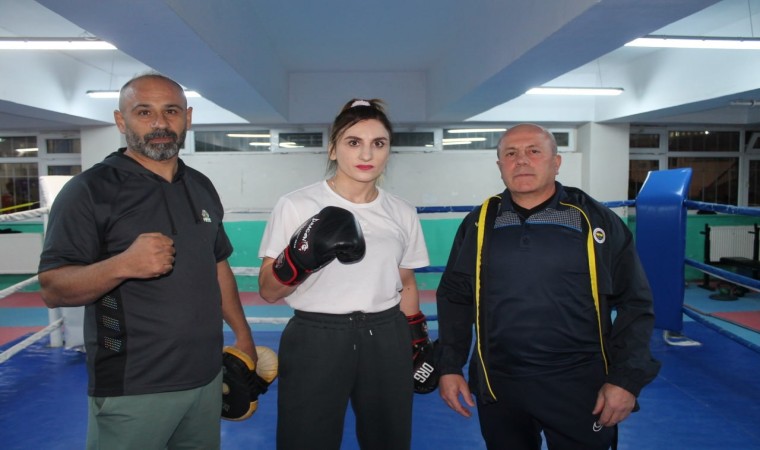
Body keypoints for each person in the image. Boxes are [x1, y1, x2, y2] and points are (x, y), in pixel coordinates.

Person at [38, 72, 257, 450]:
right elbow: (53, 288)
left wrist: (244, 336)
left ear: (187, 118)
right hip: (134, 386)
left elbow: (217, 265)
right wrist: (121, 265)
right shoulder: (90, 190)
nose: (159, 123)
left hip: (206, 378)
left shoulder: (200, 186)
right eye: (144, 112)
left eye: (171, 111)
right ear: (121, 121)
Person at [436, 123, 661, 450]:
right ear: (500, 165)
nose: (521, 160)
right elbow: (455, 297)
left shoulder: (593, 219)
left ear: (556, 163)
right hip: (500, 384)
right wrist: (449, 365)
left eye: (534, 151)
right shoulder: (480, 222)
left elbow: (635, 303)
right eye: (510, 154)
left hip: (580, 385)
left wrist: (625, 380)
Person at [257, 98, 432, 450]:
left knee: (390, 440)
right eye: (354, 142)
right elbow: (269, 290)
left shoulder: (402, 211)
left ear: (388, 151)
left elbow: (406, 283)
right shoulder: (297, 205)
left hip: (387, 334)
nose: (367, 154)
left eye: (378, 143)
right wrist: (298, 260)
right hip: (316, 336)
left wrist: (417, 342)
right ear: (333, 149)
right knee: (305, 441)